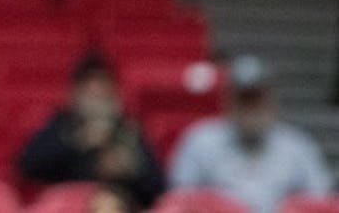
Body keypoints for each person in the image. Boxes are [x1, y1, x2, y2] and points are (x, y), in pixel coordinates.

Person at [168, 55, 333, 213]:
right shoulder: (200, 141)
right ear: (229, 100)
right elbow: (179, 202)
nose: (251, 107)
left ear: (272, 100)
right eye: (244, 98)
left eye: (257, 98)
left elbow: (319, 203)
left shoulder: (298, 147)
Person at [17, 53, 165, 207]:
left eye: (103, 83)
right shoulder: (62, 126)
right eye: (90, 84)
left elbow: (157, 186)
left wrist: (129, 171)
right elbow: (28, 165)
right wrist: (80, 142)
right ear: (76, 91)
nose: (97, 91)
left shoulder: (127, 131)